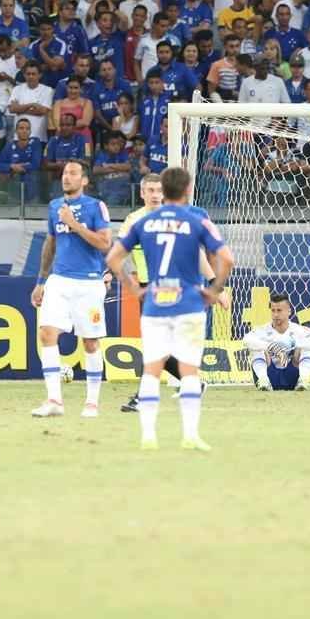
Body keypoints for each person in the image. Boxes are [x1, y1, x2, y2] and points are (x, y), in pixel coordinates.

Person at [106, 166, 234, 452]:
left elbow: (113, 258)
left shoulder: (144, 222)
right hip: (188, 302)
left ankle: (148, 436)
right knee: (189, 370)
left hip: (155, 302)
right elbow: (227, 258)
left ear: (163, 190)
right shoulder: (197, 220)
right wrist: (214, 290)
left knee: (152, 368)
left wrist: (133, 287)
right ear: (188, 189)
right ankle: (190, 435)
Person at [30, 161, 113, 419]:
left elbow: (105, 243)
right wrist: (41, 281)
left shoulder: (95, 206)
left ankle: (92, 402)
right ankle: (54, 400)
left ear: (84, 180)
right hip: (59, 280)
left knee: (90, 342)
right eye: (65, 173)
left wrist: (74, 224)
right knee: (47, 333)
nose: (67, 177)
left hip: (89, 282)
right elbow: (51, 243)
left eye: (73, 173)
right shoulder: (55, 206)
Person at [243, 292, 310, 391]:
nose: (275, 314)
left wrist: (295, 344)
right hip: (270, 375)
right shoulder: (262, 330)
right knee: (257, 349)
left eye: (279, 310)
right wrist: (269, 346)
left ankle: (302, 380)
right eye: (273, 310)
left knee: (306, 349)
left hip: (292, 376)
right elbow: (246, 340)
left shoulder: (298, 330)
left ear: (289, 311)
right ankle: (263, 381)